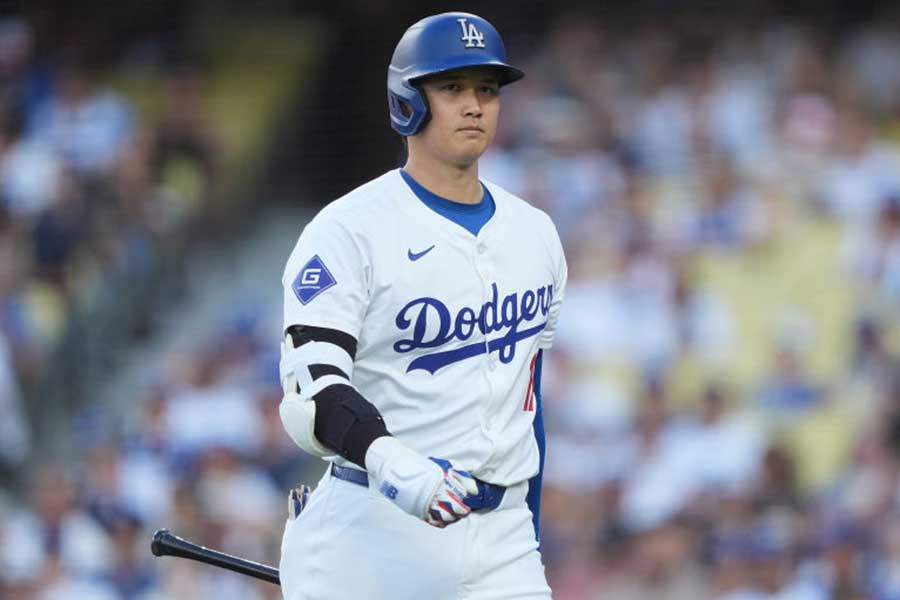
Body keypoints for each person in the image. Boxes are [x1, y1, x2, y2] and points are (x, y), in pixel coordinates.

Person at [277, 12, 567, 600]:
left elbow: (526, 406)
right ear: (408, 101)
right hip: (373, 528)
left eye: (487, 89)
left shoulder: (536, 234)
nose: (474, 105)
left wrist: (527, 534)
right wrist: (388, 460)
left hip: (502, 536)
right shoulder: (348, 231)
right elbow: (311, 391)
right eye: (452, 87)